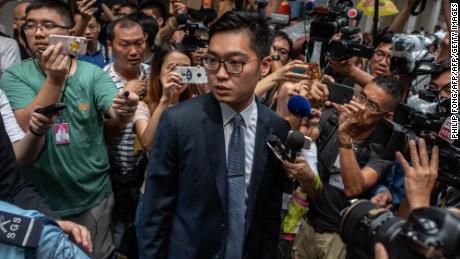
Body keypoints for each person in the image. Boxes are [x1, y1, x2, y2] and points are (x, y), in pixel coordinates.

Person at [139, 10, 291, 258]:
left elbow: (269, 213)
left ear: (264, 66)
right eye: (212, 61)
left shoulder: (276, 127)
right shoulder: (179, 122)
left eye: (235, 63)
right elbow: (156, 211)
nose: (220, 73)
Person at [0, 1, 138, 258]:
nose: (38, 33)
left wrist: (124, 108)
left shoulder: (92, 74)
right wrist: (55, 79)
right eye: (31, 26)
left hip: (93, 196)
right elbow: (24, 128)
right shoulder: (14, 76)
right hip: (39, 197)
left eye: (48, 25)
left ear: (70, 34)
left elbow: (113, 107)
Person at [292, 76, 403, 259]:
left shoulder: (381, 148)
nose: (360, 107)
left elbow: (354, 187)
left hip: (340, 239)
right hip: (306, 224)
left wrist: (345, 136)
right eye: (361, 97)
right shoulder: (332, 118)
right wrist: (306, 111)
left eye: (372, 106)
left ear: (386, 116)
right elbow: (302, 141)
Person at [133, 42, 194, 239]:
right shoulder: (144, 106)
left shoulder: (198, 106)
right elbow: (147, 142)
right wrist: (165, 101)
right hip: (154, 194)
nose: (178, 74)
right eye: (172, 68)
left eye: (185, 69)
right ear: (158, 72)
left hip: (188, 195)